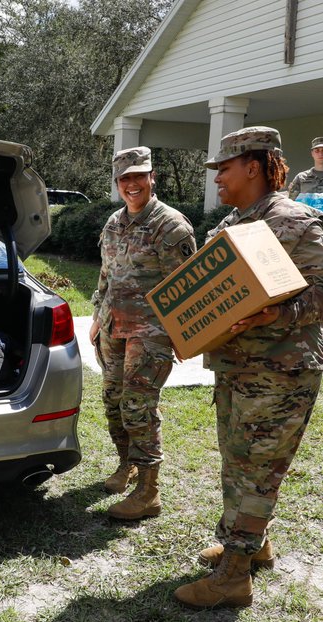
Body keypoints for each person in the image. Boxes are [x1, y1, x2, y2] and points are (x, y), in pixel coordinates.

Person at [172, 127, 323, 609]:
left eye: (224, 169)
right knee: (239, 459)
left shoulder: (298, 221)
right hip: (237, 364)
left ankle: (234, 575)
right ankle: (254, 543)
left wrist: (280, 312)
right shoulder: (231, 224)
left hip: (282, 369)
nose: (218, 180)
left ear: (253, 166)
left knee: (257, 468)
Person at [88, 146, 196, 520]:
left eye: (139, 176)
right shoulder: (114, 223)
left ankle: (149, 491)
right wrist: (97, 315)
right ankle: (127, 465)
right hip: (113, 327)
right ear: (118, 184)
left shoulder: (171, 226)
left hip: (150, 333)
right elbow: (106, 275)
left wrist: (184, 334)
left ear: (152, 178)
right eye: (124, 178)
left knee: (138, 407)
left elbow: (187, 286)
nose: (132, 184)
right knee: (113, 401)